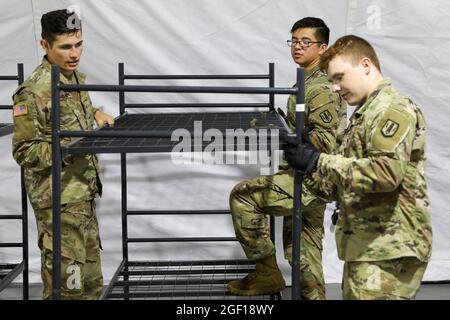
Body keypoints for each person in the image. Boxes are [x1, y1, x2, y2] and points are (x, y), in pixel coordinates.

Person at [283, 34, 432, 300]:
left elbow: (386, 174)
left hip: (388, 249)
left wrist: (318, 160)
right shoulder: (363, 115)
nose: (335, 88)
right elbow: (343, 179)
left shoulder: (391, 109)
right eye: (330, 81)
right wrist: (310, 159)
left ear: (366, 65)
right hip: (368, 247)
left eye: (339, 77)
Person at [227, 17, 346, 298]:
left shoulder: (321, 87)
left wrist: (285, 134)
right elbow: (304, 129)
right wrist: (281, 124)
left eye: (306, 42)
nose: (297, 47)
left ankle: (267, 273)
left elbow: (325, 144)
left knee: (243, 196)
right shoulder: (308, 80)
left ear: (323, 48)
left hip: (312, 179)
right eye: (293, 41)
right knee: (302, 253)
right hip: (309, 176)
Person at [12, 9, 114, 299]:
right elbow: (24, 151)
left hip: (83, 196)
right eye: (65, 47)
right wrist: (68, 147)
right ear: (45, 45)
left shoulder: (73, 79)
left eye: (79, 44)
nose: (74, 54)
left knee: (92, 283)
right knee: (68, 288)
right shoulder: (31, 92)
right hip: (58, 203)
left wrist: (95, 112)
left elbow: (68, 116)